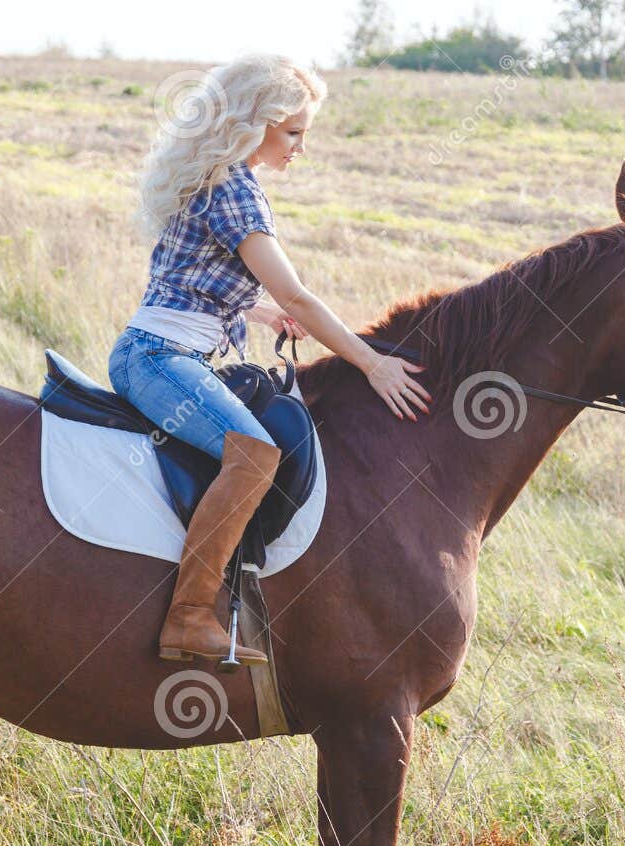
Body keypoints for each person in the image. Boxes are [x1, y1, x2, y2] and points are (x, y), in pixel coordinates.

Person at [113, 54, 428, 664]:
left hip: (158, 348)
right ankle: (188, 617)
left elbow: (189, 279)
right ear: (254, 122)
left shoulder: (218, 175)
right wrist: (371, 364)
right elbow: (298, 295)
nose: (300, 148)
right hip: (158, 356)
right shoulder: (235, 189)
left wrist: (256, 315)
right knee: (256, 456)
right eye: (293, 132)